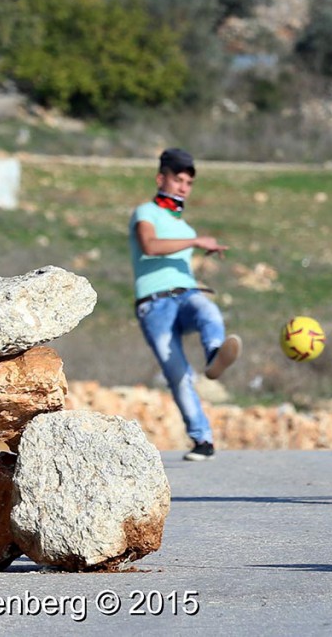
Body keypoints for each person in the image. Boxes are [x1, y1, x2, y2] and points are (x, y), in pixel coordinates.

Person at [129, 148, 242, 461]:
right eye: (178, 180)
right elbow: (149, 245)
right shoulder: (145, 213)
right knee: (178, 374)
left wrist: (195, 241)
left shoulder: (185, 226)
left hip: (186, 294)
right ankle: (202, 440)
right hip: (154, 305)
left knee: (208, 311)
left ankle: (215, 356)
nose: (183, 188)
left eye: (188, 183)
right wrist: (195, 243)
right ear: (160, 178)